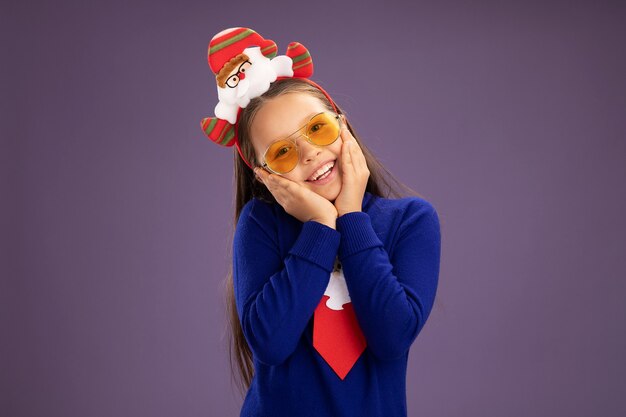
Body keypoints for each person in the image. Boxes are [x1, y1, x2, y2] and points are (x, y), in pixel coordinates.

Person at [201, 27, 442, 417]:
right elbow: (272, 342)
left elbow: (392, 336)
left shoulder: (411, 221)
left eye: (317, 129)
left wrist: (350, 217)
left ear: (342, 126)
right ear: (263, 175)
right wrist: (319, 226)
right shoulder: (261, 224)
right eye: (282, 152)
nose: (310, 153)